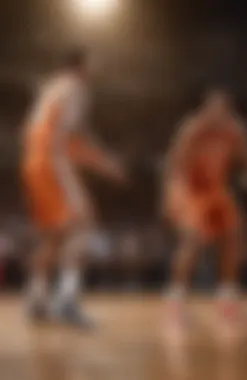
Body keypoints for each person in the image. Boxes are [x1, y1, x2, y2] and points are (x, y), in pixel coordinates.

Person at [162, 90, 247, 323]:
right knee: (193, 240)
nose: (217, 114)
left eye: (223, 109)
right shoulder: (193, 129)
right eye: (213, 109)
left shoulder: (236, 131)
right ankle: (176, 299)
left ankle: (227, 298)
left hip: (215, 188)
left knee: (234, 236)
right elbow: (174, 164)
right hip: (189, 187)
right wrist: (170, 196)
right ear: (205, 110)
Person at [22, 48, 124, 327]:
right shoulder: (76, 88)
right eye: (93, 63)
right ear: (81, 66)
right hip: (52, 160)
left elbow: (38, 131)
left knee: (54, 237)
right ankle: (66, 300)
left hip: (33, 161)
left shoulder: (51, 87)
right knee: (84, 224)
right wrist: (105, 164)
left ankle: (36, 298)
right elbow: (71, 139)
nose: (96, 69)